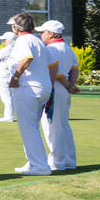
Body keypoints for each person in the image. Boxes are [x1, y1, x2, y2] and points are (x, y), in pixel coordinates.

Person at [7, 12, 52, 176]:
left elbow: (27, 59)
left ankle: (40, 166)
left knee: (28, 127)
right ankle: (34, 162)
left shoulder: (23, 40)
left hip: (29, 87)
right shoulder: (36, 40)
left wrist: (15, 77)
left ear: (15, 27)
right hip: (41, 87)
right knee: (31, 126)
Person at [37, 20, 80, 171]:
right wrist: (70, 85)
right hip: (64, 89)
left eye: (43, 32)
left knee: (51, 125)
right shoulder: (67, 48)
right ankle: (69, 160)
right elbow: (74, 69)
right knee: (62, 124)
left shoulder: (51, 49)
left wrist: (68, 85)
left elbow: (56, 72)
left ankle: (57, 161)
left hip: (55, 89)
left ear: (51, 33)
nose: (41, 34)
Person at [0, 31, 16, 122]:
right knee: (10, 96)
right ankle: (10, 115)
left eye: (4, 40)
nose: (3, 41)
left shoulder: (6, 49)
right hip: (9, 74)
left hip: (3, 75)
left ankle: (9, 116)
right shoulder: (16, 49)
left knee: (6, 96)